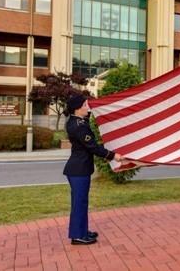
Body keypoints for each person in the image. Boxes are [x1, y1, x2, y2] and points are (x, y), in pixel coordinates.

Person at [63, 94, 122, 245]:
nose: (87, 108)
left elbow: (86, 123)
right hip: (78, 170)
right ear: (77, 109)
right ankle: (77, 236)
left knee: (82, 202)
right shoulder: (79, 127)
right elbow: (93, 147)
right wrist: (113, 156)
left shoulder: (75, 121)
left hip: (78, 169)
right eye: (84, 105)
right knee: (80, 203)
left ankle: (82, 231)